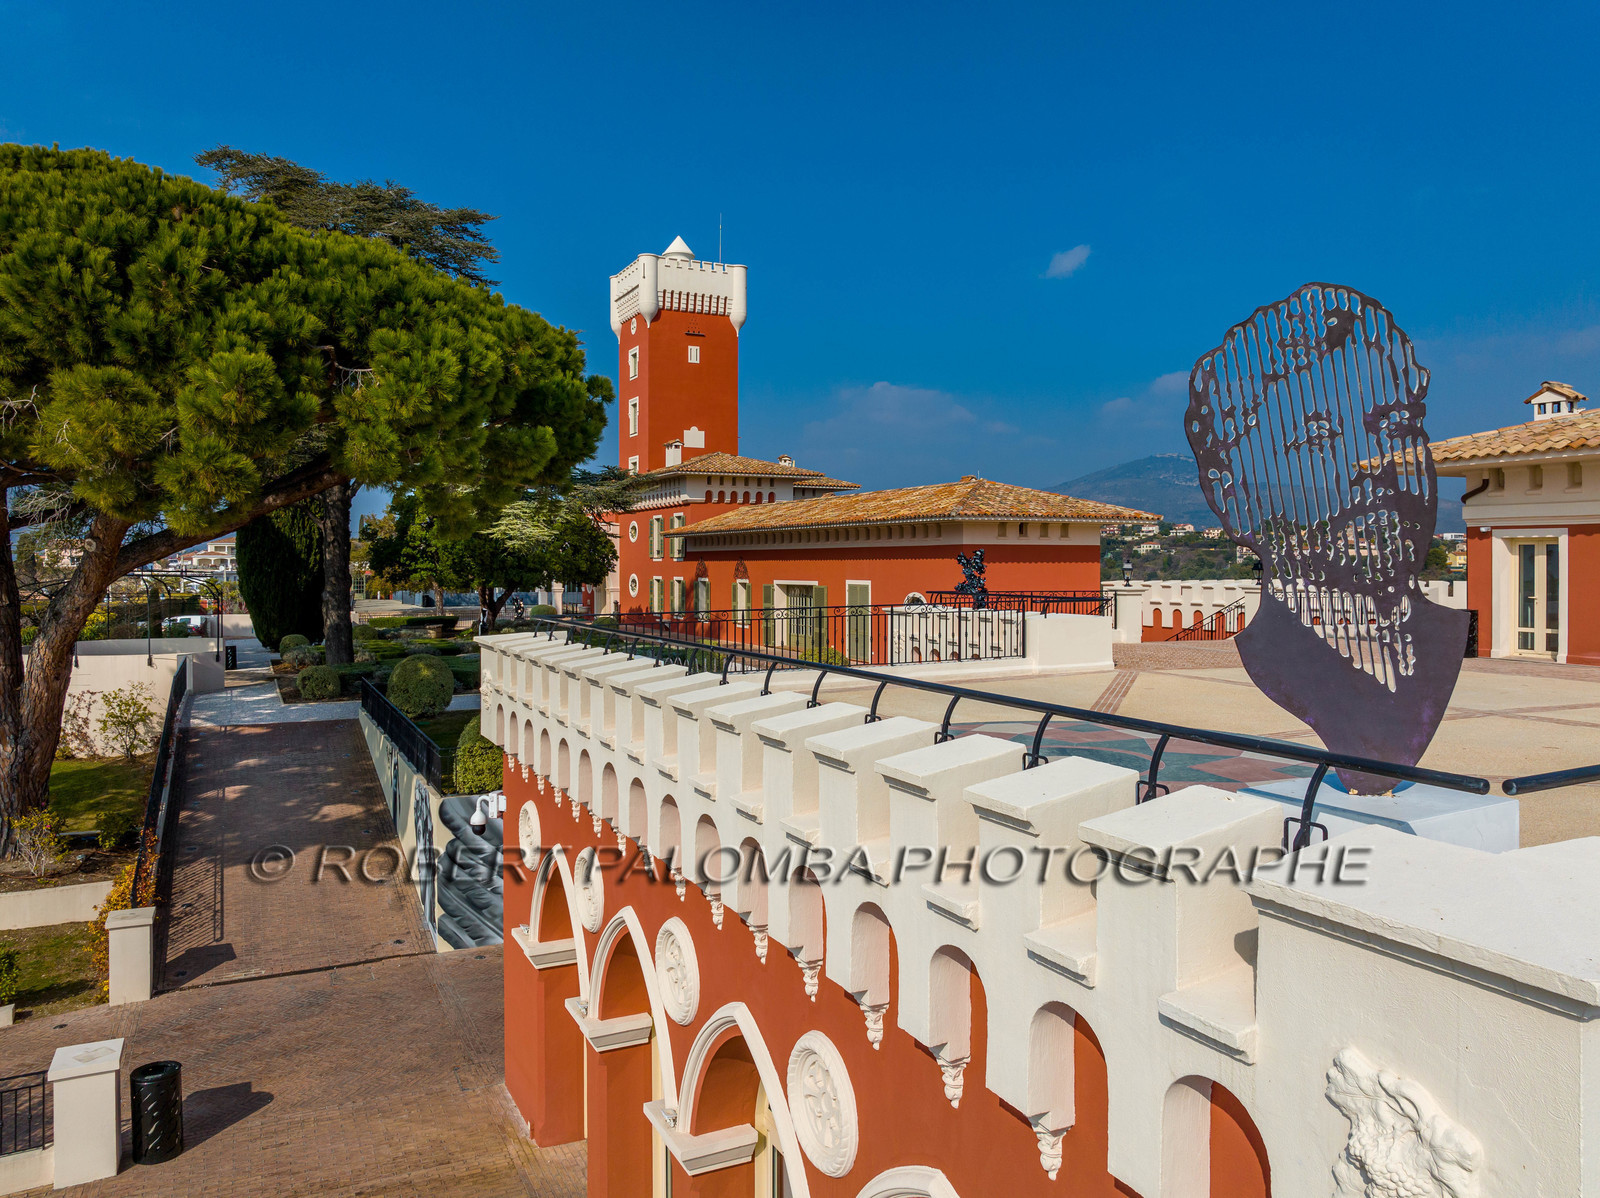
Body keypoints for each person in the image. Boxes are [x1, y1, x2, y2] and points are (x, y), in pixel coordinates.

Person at [1186, 283, 1468, 793]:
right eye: (1317, 440)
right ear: (1230, 491)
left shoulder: (1443, 640)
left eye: (1397, 429)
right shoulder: (1276, 657)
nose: (1371, 468)